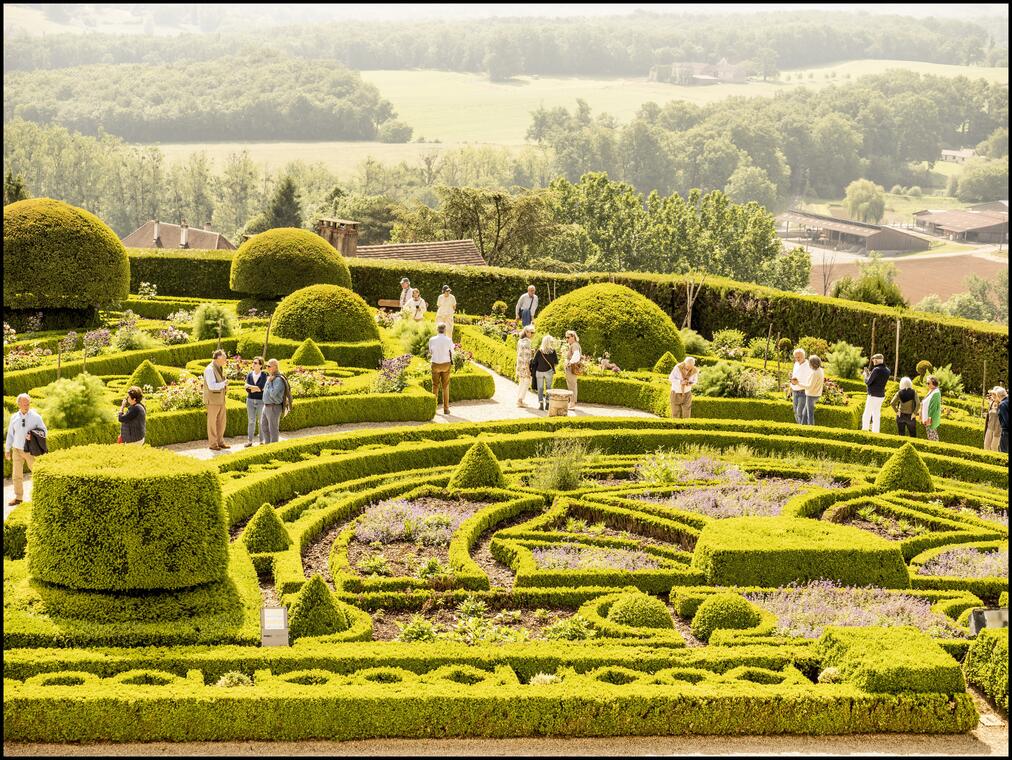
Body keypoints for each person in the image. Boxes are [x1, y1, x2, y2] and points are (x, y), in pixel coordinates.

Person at [4, 393, 47, 506]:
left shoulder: (36, 417)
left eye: (28, 403)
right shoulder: (14, 417)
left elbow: (44, 431)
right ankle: (18, 497)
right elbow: (10, 434)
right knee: (16, 475)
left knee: (37, 473)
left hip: (30, 451)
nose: (27, 406)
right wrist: (7, 449)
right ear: (19, 404)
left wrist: (33, 436)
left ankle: (42, 495)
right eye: (24, 404)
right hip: (16, 450)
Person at [203, 349, 229, 451]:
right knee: (212, 423)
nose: (226, 359)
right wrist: (224, 383)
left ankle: (220, 442)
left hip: (220, 400)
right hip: (212, 400)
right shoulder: (209, 369)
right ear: (218, 358)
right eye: (224, 357)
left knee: (221, 422)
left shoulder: (219, 367)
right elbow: (212, 386)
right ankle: (213, 444)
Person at [261, 358, 290, 444]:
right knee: (264, 427)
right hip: (266, 406)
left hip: (273, 407)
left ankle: (274, 448)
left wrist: (269, 382)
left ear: (275, 367)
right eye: (266, 366)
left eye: (269, 366)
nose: (267, 368)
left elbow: (273, 394)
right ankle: (267, 445)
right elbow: (265, 390)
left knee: (273, 429)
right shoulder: (270, 378)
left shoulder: (278, 379)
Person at [428, 322, 455, 415]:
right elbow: (452, 352)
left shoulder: (432, 339)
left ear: (437, 329)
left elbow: (430, 352)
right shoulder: (448, 340)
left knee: (435, 386)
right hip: (445, 364)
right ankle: (446, 409)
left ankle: (433, 408)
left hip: (435, 364)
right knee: (445, 386)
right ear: (445, 330)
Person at [861, 353, 891, 433]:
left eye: (874, 360)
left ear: (877, 360)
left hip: (873, 395)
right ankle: (876, 432)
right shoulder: (887, 370)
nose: (873, 362)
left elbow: (868, 382)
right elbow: (878, 380)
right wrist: (869, 374)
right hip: (881, 395)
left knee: (867, 414)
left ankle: (864, 431)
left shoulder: (876, 370)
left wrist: (865, 375)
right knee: (876, 414)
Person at [244, 356, 268, 448]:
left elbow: (261, 387)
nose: (253, 364)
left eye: (255, 363)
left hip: (261, 401)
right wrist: (254, 388)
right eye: (253, 362)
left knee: (261, 421)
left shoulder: (264, 375)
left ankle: (261, 441)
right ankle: (249, 441)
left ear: (261, 365)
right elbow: (248, 390)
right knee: (251, 421)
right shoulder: (249, 375)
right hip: (249, 400)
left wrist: (250, 387)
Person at [533, 335, 558, 412]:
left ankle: (541, 404)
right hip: (549, 372)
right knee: (548, 388)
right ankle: (547, 404)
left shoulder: (539, 351)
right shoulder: (553, 351)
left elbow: (534, 362)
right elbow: (556, 362)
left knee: (540, 389)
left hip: (539, 372)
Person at [788, 348, 811, 425]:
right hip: (795, 391)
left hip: (803, 391)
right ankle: (800, 428)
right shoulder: (796, 364)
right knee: (795, 411)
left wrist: (798, 383)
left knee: (800, 412)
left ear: (804, 356)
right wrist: (791, 386)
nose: (797, 359)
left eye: (799, 357)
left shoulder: (809, 365)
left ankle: (804, 429)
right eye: (796, 357)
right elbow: (794, 377)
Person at [515, 324, 535, 408]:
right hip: (525, 366)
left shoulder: (520, 341)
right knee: (526, 382)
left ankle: (519, 399)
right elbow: (526, 357)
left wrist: (531, 351)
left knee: (521, 382)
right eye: (532, 332)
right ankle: (520, 400)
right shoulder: (527, 342)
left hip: (519, 366)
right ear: (527, 332)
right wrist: (528, 369)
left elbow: (520, 353)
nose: (533, 334)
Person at [802, 355, 825, 425]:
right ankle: (801, 428)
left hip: (811, 395)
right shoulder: (820, 370)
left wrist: (798, 384)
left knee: (810, 415)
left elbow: (809, 387)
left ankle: (810, 431)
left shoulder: (815, 373)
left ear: (812, 363)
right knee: (805, 414)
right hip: (815, 394)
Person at [983, 386, 1007, 451]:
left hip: (998, 430)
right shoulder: (991, 403)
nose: (992, 396)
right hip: (989, 428)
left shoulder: (1003, 404)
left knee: (994, 447)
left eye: (994, 394)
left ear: (998, 395)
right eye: (992, 394)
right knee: (986, 446)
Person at [563, 330, 582, 411]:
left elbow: (576, 355)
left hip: (571, 368)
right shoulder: (574, 345)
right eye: (566, 337)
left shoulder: (574, 345)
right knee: (572, 385)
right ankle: (572, 403)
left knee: (572, 386)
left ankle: (572, 404)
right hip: (571, 368)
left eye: (568, 337)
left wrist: (570, 362)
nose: (567, 339)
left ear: (573, 337)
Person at [920, 374, 942, 442]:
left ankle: (935, 449)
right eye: (927, 383)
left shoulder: (936, 393)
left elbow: (933, 407)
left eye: (928, 383)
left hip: (930, 420)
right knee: (931, 436)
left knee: (932, 437)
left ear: (933, 383)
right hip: (927, 418)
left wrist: (929, 419)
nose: (927, 384)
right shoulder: (931, 390)